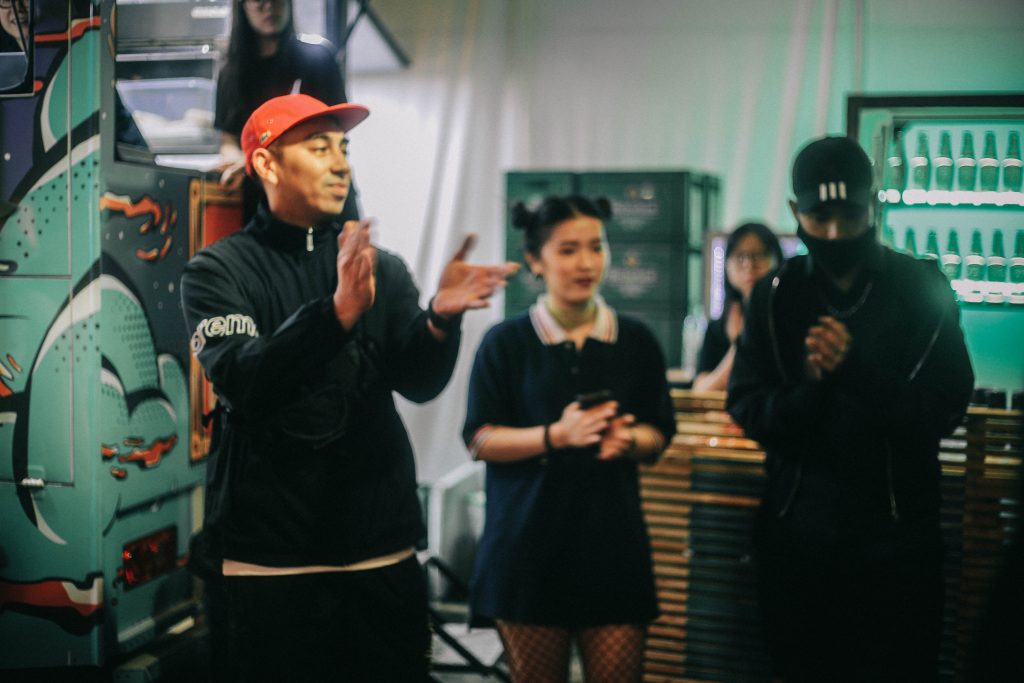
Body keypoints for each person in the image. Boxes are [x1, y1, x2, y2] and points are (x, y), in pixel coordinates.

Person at [180, 93, 519, 681]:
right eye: (319, 148)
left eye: (344, 148)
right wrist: (334, 316)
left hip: (379, 551)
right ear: (266, 164)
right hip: (271, 561)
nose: (340, 163)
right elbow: (244, 378)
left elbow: (418, 382)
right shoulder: (217, 271)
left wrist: (440, 319)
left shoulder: (380, 267)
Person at [726, 135, 974, 681]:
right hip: (797, 546)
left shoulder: (921, 288)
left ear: (874, 206)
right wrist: (810, 390)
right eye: (820, 218)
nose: (836, 233)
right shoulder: (775, 295)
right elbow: (746, 406)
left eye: (850, 215)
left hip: (898, 547)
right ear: (795, 211)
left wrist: (855, 371)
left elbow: (945, 409)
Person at [463, 196, 677, 683]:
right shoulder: (506, 343)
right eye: (568, 250)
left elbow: (659, 432)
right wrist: (555, 436)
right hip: (527, 554)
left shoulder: (635, 340)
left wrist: (629, 440)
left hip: (613, 550)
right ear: (535, 261)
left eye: (596, 247)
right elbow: (479, 439)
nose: (586, 263)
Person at [214, 0, 353, 221]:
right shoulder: (230, 73)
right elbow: (228, 139)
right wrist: (238, 162)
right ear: (242, 6)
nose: (270, 7)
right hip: (262, 200)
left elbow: (336, 133)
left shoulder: (318, 60)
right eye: (259, 0)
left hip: (320, 194)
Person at [692, 222, 782, 391]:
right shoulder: (719, 327)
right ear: (726, 265)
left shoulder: (788, 319)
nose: (749, 265)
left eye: (759, 255)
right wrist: (739, 344)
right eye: (740, 256)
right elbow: (702, 391)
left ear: (777, 259)